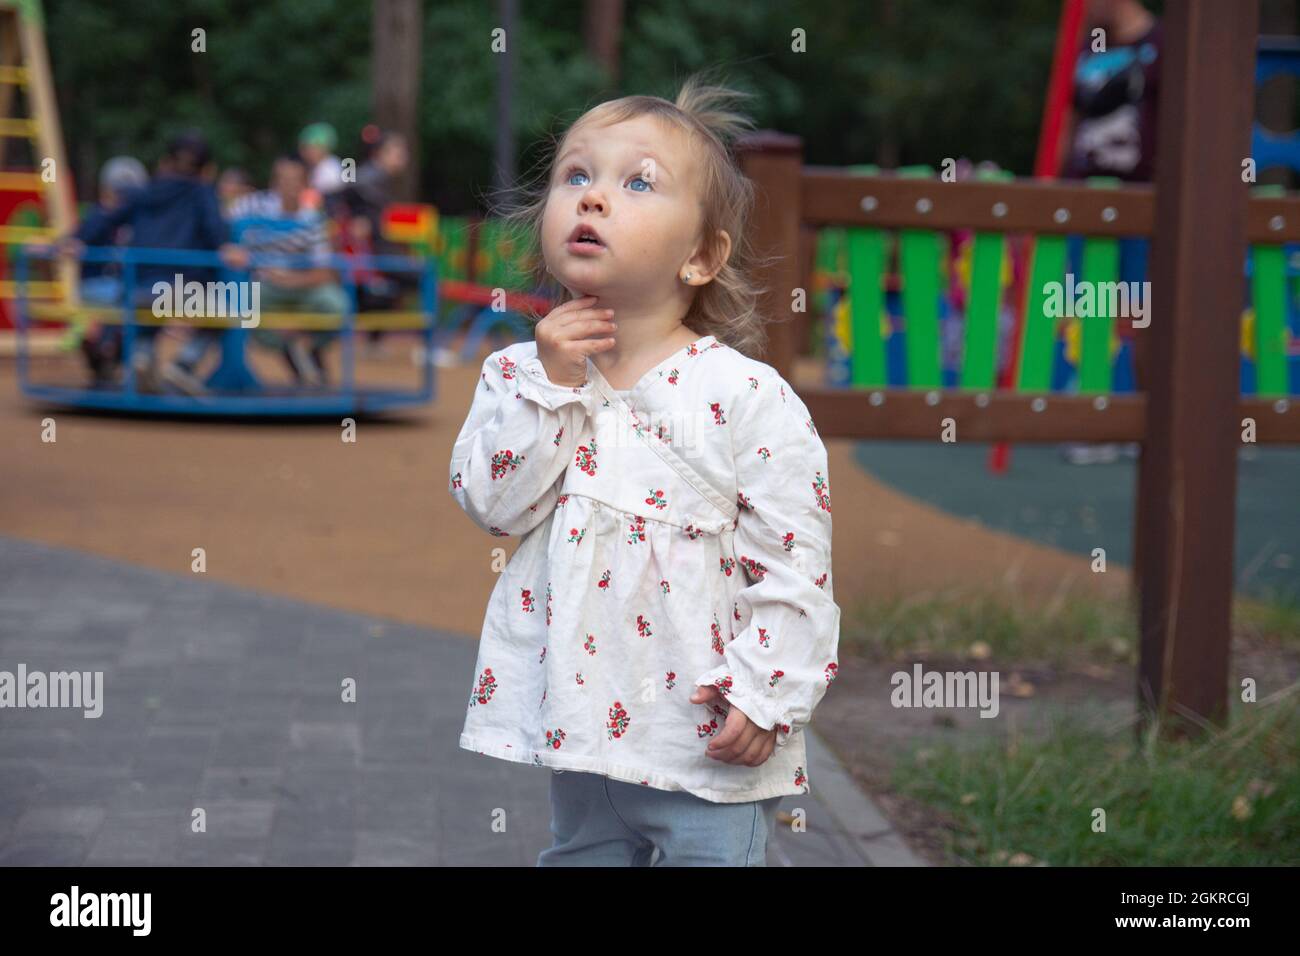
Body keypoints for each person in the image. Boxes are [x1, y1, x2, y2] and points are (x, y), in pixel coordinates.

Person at [449, 75, 841, 867]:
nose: (593, 199)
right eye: (576, 176)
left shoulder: (742, 393)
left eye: (637, 183)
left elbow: (795, 559)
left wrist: (767, 691)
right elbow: (493, 504)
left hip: (703, 730)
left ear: (700, 256)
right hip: (579, 724)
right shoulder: (519, 377)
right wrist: (554, 390)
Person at [1059, 0, 1159, 464]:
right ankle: (1095, 416)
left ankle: (1147, 417)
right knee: (1090, 304)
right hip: (1088, 200)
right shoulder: (1086, 44)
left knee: (1142, 309)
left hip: (1141, 199)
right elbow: (1070, 116)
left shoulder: (1161, 46)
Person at [61, 131, 233, 394]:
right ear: (207, 170)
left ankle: (142, 357)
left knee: (147, 312)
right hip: (180, 290)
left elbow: (105, 216)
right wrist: (227, 248)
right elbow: (216, 233)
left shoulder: (144, 192)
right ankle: (184, 365)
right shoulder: (202, 193)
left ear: (166, 162)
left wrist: (75, 240)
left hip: (137, 288)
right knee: (233, 309)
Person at [221, 155, 346, 386]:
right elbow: (221, 228)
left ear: (305, 184)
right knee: (235, 305)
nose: (288, 186)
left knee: (337, 306)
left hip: (299, 287)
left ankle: (306, 345)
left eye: (294, 180)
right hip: (263, 288)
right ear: (274, 182)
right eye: (283, 180)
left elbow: (324, 272)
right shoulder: (251, 206)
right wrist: (229, 248)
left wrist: (287, 280)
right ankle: (293, 351)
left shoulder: (313, 219)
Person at [73, 155, 149, 384]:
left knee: (137, 303)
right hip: (100, 287)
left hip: (123, 289)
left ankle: (109, 356)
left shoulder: (138, 220)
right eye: (118, 192)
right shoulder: (98, 215)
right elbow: (79, 238)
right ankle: (102, 352)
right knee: (125, 302)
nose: (122, 198)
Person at [297, 122, 345, 212]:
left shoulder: (332, 169)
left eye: (309, 147)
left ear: (324, 148)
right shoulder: (312, 166)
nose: (304, 152)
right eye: (303, 147)